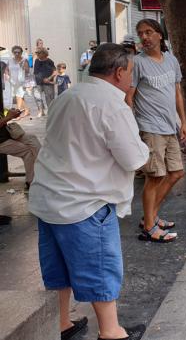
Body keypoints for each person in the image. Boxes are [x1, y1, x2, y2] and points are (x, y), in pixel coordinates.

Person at [28, 43, 149, 340]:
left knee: (57, 271)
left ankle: (61, 323)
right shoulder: (112, 105)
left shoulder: (66, 97)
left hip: (49, 198)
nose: (131, 79)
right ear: (119, 72)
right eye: (130, 72)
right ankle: (111, 332)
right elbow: (133, 158)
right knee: (100, 269)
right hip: (86, 203)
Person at [126, 19, 186, 243]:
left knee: (176, 173)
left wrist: (184, 123)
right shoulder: (137, 63)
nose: (144, 37)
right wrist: (132, 128)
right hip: (150, 127)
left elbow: (177, 93)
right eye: (141, 33)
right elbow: (129, 97)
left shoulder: (171, 61)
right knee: (155, 176)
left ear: (159, 35)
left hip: (170, 126)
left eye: (149, 32)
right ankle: (149, 227)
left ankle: (150, 217)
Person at [0, 107, 41, 191]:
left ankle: (43, 168)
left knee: (32, 139)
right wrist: (9, 117)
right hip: (2, 141)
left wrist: (11, 114)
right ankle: (31, 181)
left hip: (8, 134)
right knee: (27, 151)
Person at [33, 48, 56, 117]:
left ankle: (51, 111)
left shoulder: (50, 61)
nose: (37, 54)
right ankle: (41, 111)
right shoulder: (36, 61)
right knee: (37, 97)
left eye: (39, 53)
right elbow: (35, 72)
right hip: (38, 82)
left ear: (44, 53)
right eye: (37, 53)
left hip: (48, 83)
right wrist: (41, 79)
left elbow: (55, 71)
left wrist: (49, 78)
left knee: (49, 98)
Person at [8, 46, 30, 117]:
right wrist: (7, 76)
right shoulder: (10, 60)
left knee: (18, 96)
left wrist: (22, 66)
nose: (17, 54)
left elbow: (27, 71)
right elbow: (7, 69)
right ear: (13, 52)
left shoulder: (24, 60)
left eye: (18, 52)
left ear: (21, 52)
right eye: (15, 52)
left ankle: (17, 114)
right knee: (19, 97)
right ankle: (26, 110)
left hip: (21, 82)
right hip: (12, 81)